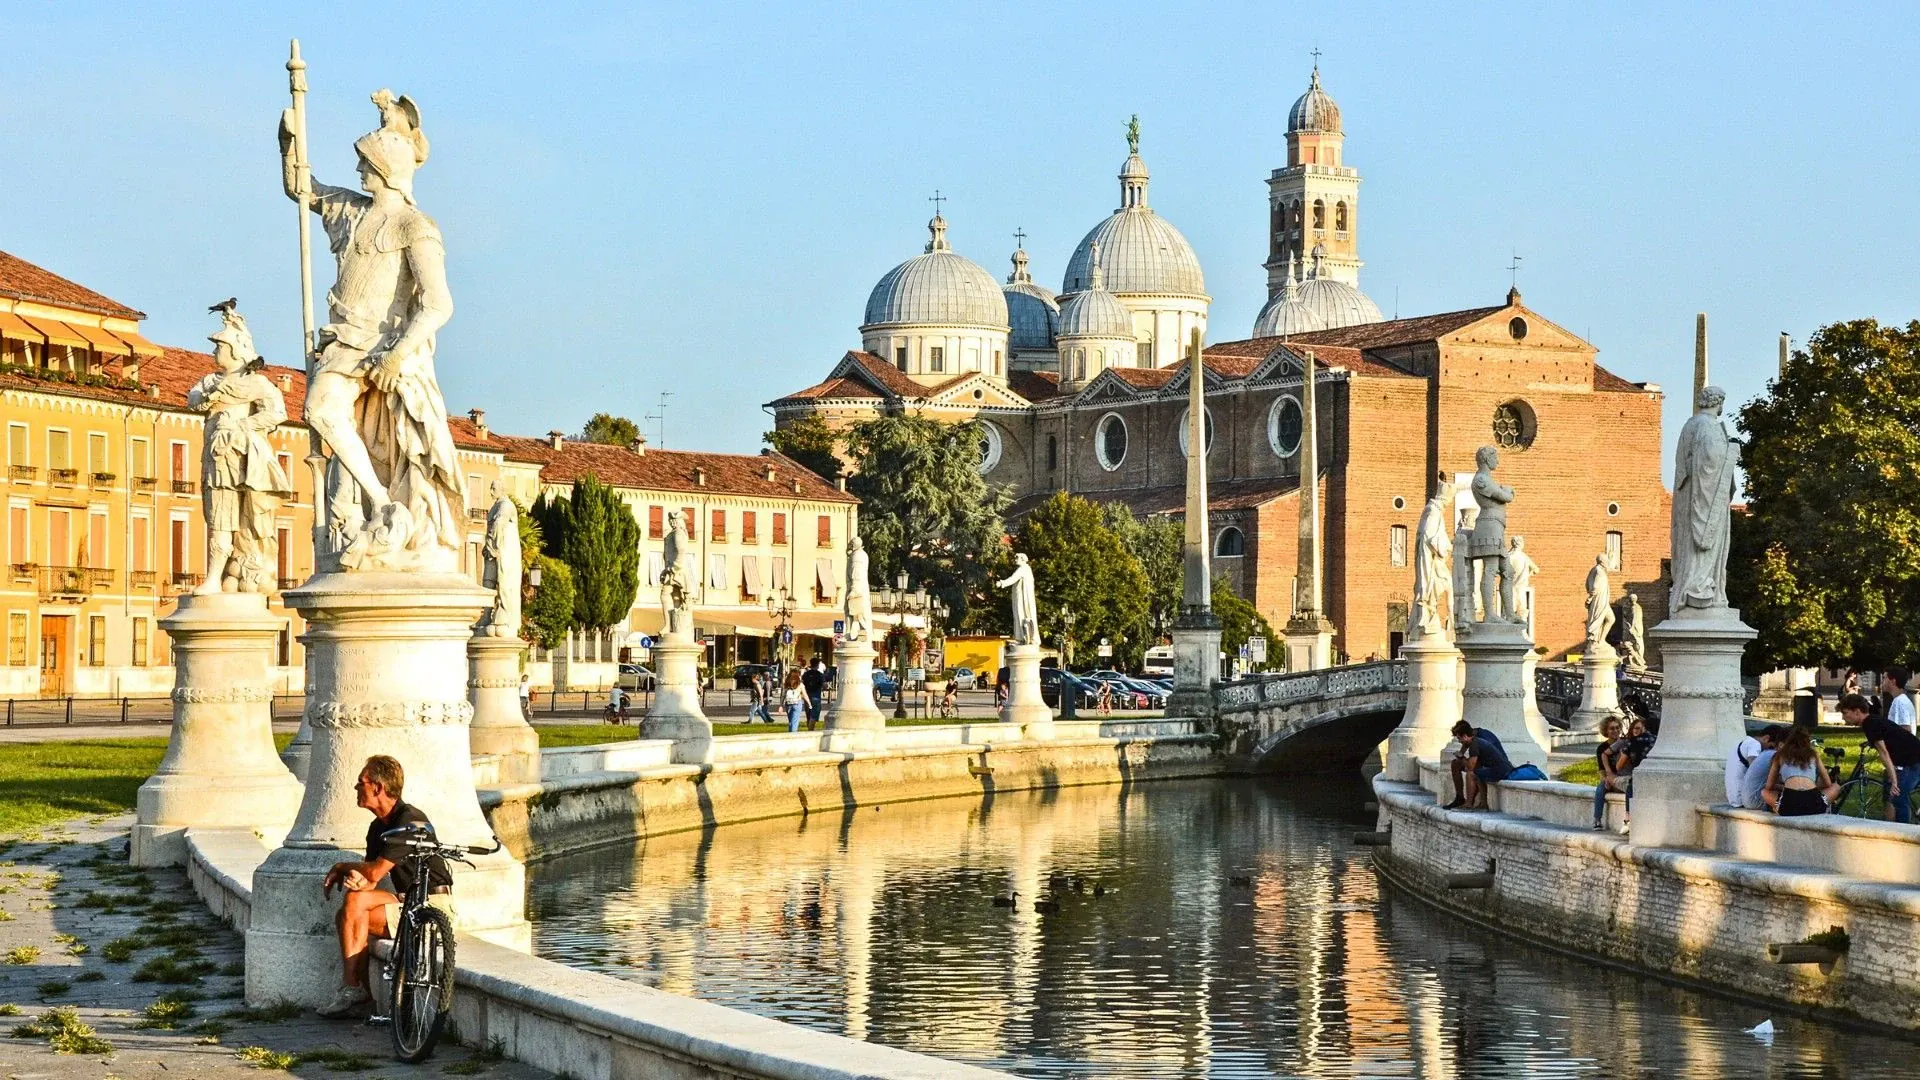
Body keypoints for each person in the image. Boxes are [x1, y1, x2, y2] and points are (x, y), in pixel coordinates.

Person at [316, 755, 451, 1018]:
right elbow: (370, 880)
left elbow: (377, 870)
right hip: (406, 901)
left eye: (360, 783)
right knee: (354, 902)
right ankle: (355, 990)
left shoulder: (409, 820)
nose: (356, 788)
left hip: (433, 905)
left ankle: (355, 991)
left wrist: (342, 867)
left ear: (377, 787)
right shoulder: (377, 827)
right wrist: (357, 879)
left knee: (353, 907)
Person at [1844, 691, 1920, 823]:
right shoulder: (1872, 720)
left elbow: (1884, 754)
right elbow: (1889, 736)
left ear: (1857, 711)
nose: (1843, 718)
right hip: (1913, 757)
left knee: (1898, 797)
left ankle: (1904, 834)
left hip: (1914, 761)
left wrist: (1894, 780)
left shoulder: (1869, 724)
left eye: (1845, 713)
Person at [1763, 726, 1839, 816]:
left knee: (1764, 792)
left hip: (1788, 807)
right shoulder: (1813, 754)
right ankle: (1824, 804)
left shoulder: (1780, 756)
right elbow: (1828, 784)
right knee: (1836, 787)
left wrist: (1783, 787)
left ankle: (1777, 807)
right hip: (1815, 805)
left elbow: (1769, 787)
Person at [1445, 720, 1512, 810]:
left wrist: (1462, 758)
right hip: (1496, 767)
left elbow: (1470, 767)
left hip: (1499, 770)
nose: (1459, 741)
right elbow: (1464, 750)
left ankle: (1469, 803)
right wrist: (1461, 756)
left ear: (1465, 736)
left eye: (1459, 738)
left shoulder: (1477, 742)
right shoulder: (1473, 739)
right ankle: (1463, 799)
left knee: (1472, 774)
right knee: (1460, 766)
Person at [1739, 726, 1792, 811]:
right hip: (1757, 801)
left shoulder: (1766, 753)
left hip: (1748, 800)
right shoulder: (1776, 756)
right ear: (1781, 744)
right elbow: (1782, 782)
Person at [1591, 715, 1627, 828]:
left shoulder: (1625, 743)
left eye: (1617, 728)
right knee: (1600, 789)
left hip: (1623, 778)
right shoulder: (1602, 748)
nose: (1615, 731)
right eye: (1612, 728)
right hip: (1610, 779)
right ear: (1606, 730)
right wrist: (1607, 779)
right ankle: (1597, 819)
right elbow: (1602, 770)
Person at [1880, 666, 1915, 735]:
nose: (1882, 681)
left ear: (1893, 681)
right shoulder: (1900, 700)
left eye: (1884, 678)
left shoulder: (1900, 701)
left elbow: (1906, 730)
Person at [780, 668, 810, 733]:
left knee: (791, 722)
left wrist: (781, 705)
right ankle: (793, 736)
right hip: (797, 703)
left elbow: (783, 696)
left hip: (788, 704)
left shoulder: (786, 684)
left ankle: (790, 734)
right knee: (795, 722)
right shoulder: (800, 684)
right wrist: (809, 704)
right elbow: (805, 695)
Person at [801, 658, 827, 730]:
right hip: (816, 696)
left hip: (807, 696)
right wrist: (823, 688)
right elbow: (825, 685)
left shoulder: (806, 674)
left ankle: (809, 728)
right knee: (815, 714)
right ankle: (811, 729)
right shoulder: (820, 675)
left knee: (808, 714)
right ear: (818, 665)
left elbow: (802, 683)